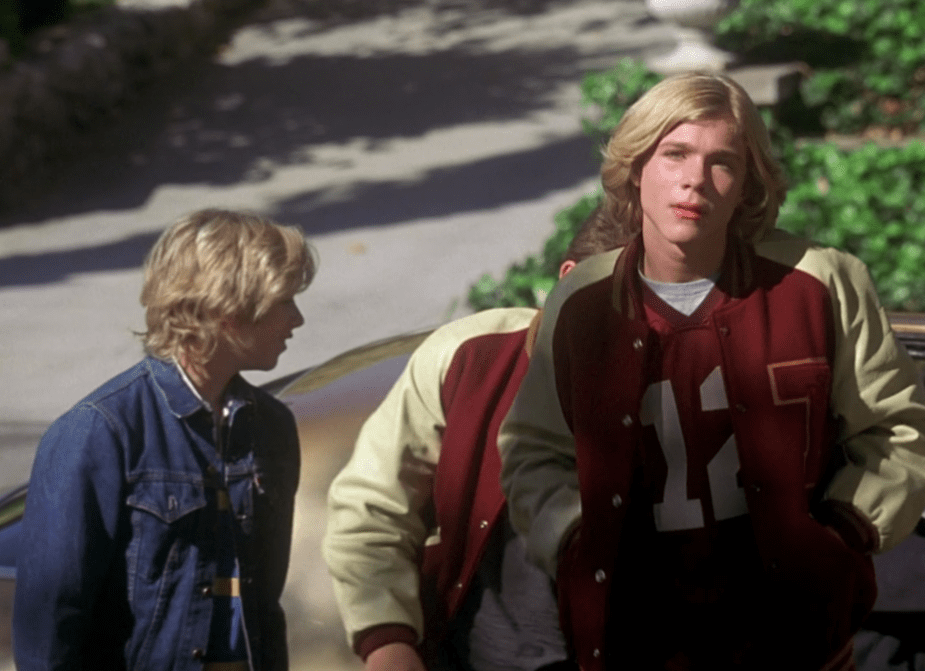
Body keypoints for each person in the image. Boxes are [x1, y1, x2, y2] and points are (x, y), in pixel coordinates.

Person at [498, 72, 925, 671]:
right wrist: (580, 541)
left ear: (748, 185)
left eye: (723, 162)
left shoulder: (820, 284)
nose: (694, 180)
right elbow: (532, 453)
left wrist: (843, 534)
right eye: (674, 154)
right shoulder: (582, 301)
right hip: (634, 643)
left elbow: (900, 431)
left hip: (794, 645)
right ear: (636, 168)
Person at [322, 208, 629, 671]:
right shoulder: (469, 356)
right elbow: (372, 508)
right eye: (631, 297)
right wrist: (388, 642)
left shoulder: (675, 371)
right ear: (569, 279)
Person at [14, 209, 317, 671]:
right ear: (228, 311)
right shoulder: (99, 431)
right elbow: (51, 622)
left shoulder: (272, 426)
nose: (296, 319)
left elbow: (263, 608)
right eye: (284, 301)